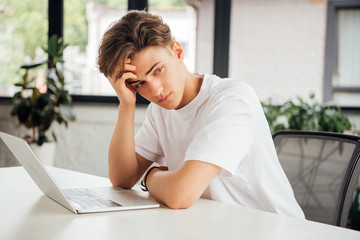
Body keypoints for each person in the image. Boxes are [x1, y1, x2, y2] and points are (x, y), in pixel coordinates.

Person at [97, 10, 305, 218]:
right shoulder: (160, 110)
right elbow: (122, 178)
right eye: (140, 83)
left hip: (277, 230)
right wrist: (126, 105)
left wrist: (149, 176)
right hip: (218, 226)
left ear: (177, 52)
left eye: (158, 70)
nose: (155, 91)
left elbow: (180, 195)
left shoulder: (232, 99)